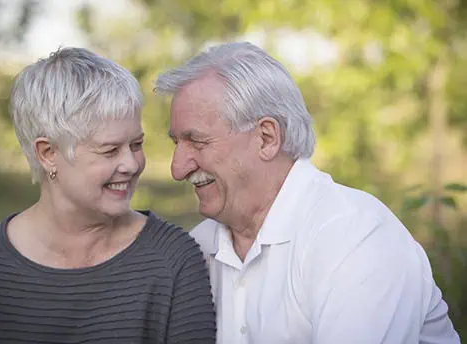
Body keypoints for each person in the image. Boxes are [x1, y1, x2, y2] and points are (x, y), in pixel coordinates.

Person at [154, 42, 460, 344]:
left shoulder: (355, 237)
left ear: (266, 138)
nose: (178, 169)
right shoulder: (198, 248)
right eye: (176, 143)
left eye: (197, 141)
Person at [0, 47, 216, 344]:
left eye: (137, 144)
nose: (131, 164)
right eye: (110, 150)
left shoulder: (174, 261)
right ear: (48, 153)